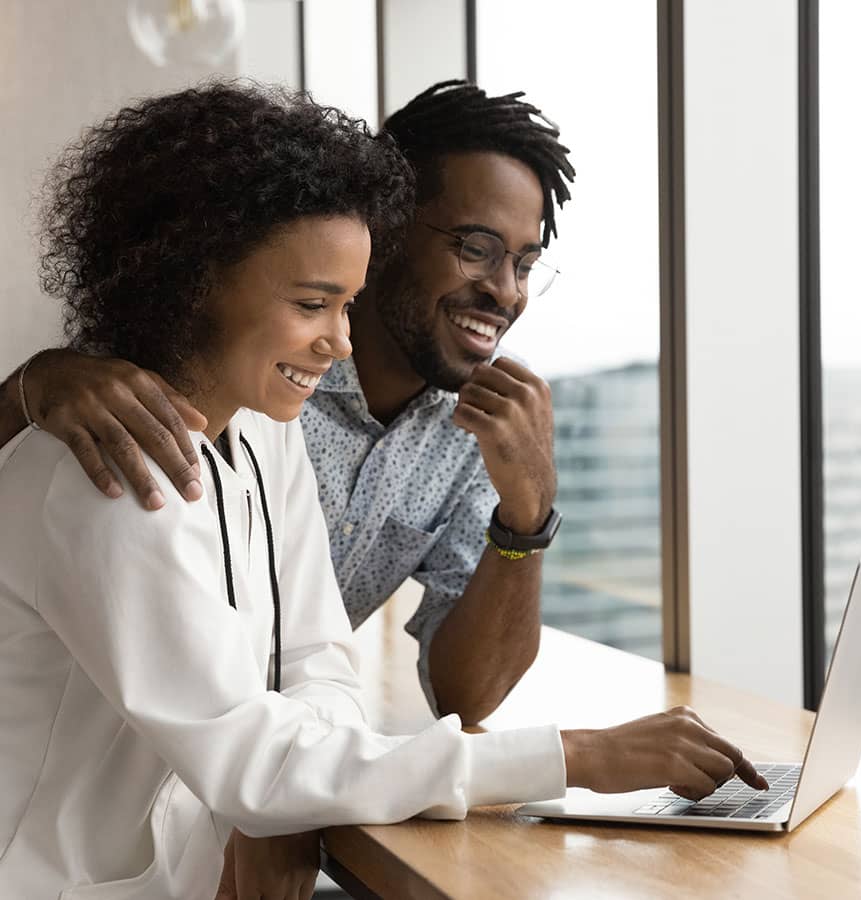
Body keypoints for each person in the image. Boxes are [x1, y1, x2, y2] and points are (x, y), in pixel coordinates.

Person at [0, 83, 767, 900]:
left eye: (347, 303)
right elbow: (247, 755)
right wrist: (575, 755)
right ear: (195, 281)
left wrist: (292, 801)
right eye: (313, 303)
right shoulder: (112, 461)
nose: (338, 338)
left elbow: (315, 660)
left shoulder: (263, 432)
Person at [0, 81, 574, 725]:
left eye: (525, 264)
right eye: (477, 249)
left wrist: (527, 521)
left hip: (255, 769)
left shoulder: (473, 432)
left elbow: (459, 696)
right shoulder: (234, 377)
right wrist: (27, 388)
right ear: (384, 228)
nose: (505, 290)